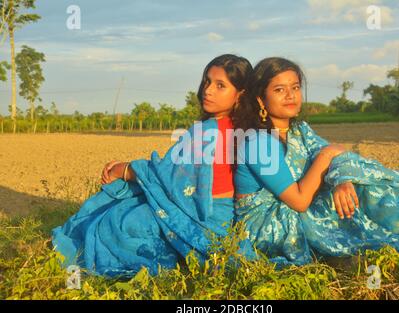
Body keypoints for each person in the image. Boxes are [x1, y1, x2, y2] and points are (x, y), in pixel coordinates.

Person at [233, 57, 399, 266]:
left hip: (295, 207)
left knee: (362, 183)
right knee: (340, 199)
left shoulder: (299, 130)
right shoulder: (257, 142)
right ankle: (358, 250)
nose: (290, 95)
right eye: (279, 90)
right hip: (268, 224)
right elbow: (299, 201)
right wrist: (326, 157)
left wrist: (342, 180)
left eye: (295, 88)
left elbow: (341, 155)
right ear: (261, 99)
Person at [52, 54, 253, 277]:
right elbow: (176, 173)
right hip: (226, 221)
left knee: (118, 221)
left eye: (220, 85)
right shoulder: (245, 129)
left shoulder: (208, 131)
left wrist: (125, 170)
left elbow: (168, 177)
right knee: (128, 209)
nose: (208, 90)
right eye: (207, 81)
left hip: (201, 215)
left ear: (240, 95)